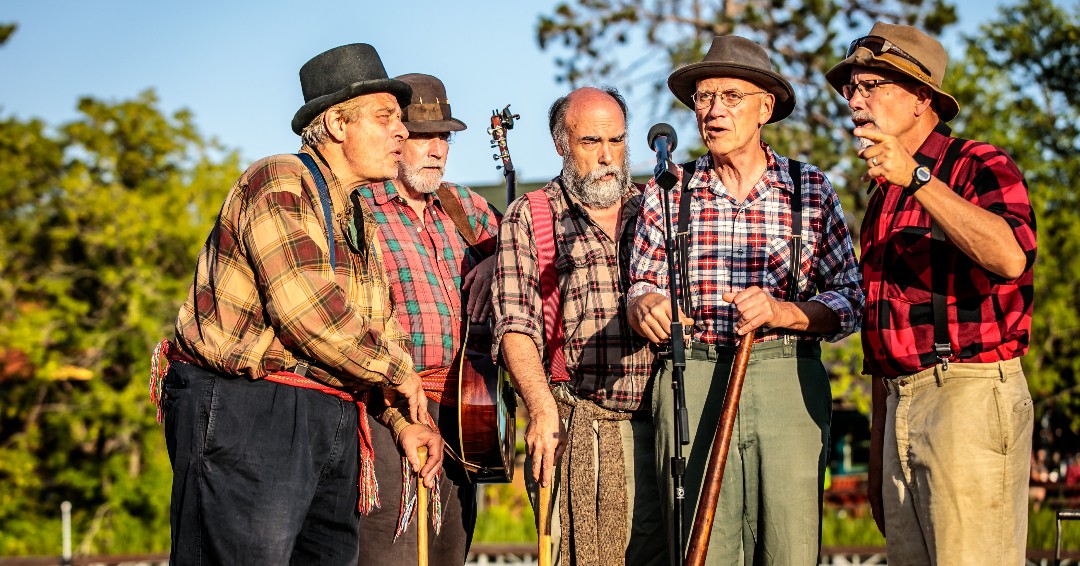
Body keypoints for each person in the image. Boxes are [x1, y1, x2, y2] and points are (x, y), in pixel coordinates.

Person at [152, 43, 443, 565]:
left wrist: (403, 422)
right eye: (386, 117)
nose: (403, 131)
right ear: (336, 123)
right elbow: (307, 313)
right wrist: (401, 371)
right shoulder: (280, 179)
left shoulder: (358, 215)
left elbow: (379, 328)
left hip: (329, 412)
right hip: (250, 409)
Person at [627, 35, 863, 565]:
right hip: (693, 374)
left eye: (731, 97)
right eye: (704, 98)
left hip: (785, 376)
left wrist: (784, 312)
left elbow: (851, 300)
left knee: (789, 547)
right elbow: (641, 283)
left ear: (765, 108)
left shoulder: (808, 189)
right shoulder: (668, 189)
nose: (713, 111)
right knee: (703, 547)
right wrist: (643, 305)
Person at [826, 22, 1037, 565]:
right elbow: (881, 340)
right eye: (851, 88)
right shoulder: (881, 196)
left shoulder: (979, 163)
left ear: (921, 97)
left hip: (967, 394)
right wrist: (878, 456)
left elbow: (1011, 256)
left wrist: (918, 179)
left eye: (871, 85)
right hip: (900, 400)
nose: (855, 101)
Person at [492, 86, 667, 566]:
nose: (608, 156)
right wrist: (540, 408)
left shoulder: (656, 208)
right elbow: (515, 325)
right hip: (575, 429)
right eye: (591, 142)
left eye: (617, 140)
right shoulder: (532, 215)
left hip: (664, 428)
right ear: (561, 145)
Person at [355, 73, 499, 566]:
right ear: (396, 137)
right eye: (423, 136)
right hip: (386, 404)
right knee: (388, 547)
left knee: (449, 549)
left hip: (464, 409)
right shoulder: (361, 208)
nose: (437, 149)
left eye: (444, 137)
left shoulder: (465, 207)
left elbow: (528, 254)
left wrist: (497, 261)